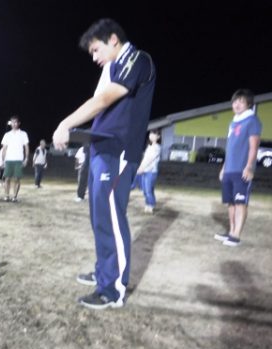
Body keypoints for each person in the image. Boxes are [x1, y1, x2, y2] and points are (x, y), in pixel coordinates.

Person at [52, 18, 156, 309]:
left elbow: (102, 101)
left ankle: (112, 290)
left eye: (96, 50)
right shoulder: (113, 67)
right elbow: (100, 100)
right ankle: (103, 273)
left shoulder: (137, 59)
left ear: (113, 40)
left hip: (119, 150)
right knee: (100, 218)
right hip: (101, 146)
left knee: (111, 216)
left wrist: (66, 124)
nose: (95, 58)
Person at [214, 89, 261, 247]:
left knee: (240, 203)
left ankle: (236, 236)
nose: (237, 104)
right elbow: (230, 147)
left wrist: (249, 167)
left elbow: (254, 147)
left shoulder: (252, 120)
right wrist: (224, 168)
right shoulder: (233, 122)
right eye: (235, 101)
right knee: (231, 203)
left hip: (242, 170)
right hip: (229, 170)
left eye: (241, 101)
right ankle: (231, 231)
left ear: (248, 103)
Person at [1, 115, 29, 202]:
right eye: (12, 122)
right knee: (7, 178)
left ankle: (15, 197)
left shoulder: (23, 134)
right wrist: (2, 160)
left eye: (15, 122)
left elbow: (26, 147)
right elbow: (4, 148)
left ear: (19, 123)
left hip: (19, 160)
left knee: (17, 179)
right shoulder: (7, 135)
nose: (14, 124)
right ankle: (6, 196)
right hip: (9, 159)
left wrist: (26, 158)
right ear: (10, 123)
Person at [137, 130, 161, 213]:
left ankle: (150, 205)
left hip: (151, 172)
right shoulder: (149, 146)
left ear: (158, 137)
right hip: (145, 170)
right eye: (151, 134)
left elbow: (150, 159)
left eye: (154, 134)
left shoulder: (157, 147)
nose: (151, 136)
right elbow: (145, 159)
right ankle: (149, 203)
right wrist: (141, 167)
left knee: (148, 190)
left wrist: (142, 168)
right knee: (145, 189)